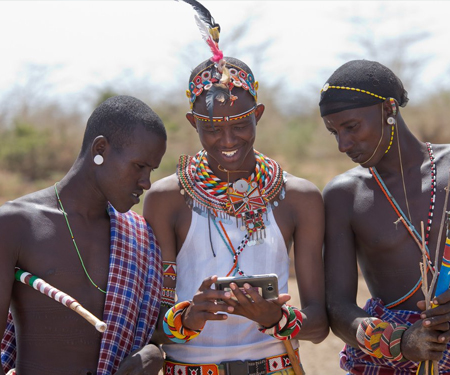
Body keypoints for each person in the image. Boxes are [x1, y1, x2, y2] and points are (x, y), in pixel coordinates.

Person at [143, 1, 328, 374]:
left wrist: (276, 317)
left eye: (240, 124)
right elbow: (152, 325)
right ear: (194, 123)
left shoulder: (299, 198)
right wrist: (189, 317)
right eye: (212, 128)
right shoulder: (166, 200)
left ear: (258, 115)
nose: (227, 139)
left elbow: (319, 325)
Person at [0, 95, 167, 375]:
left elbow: (150, 331)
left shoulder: (140, 235)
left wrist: (153, 353)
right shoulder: (16, 224)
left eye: (151, 170)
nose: (146, 183)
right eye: (139, 166)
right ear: (100, 148)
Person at [320, 59, 450, 374]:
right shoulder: (345, 196)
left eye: (351, 127)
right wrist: (399, 341)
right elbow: (338, 311)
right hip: (391, 355)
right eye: (333, 132)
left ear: (389, 109)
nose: (343, 144)